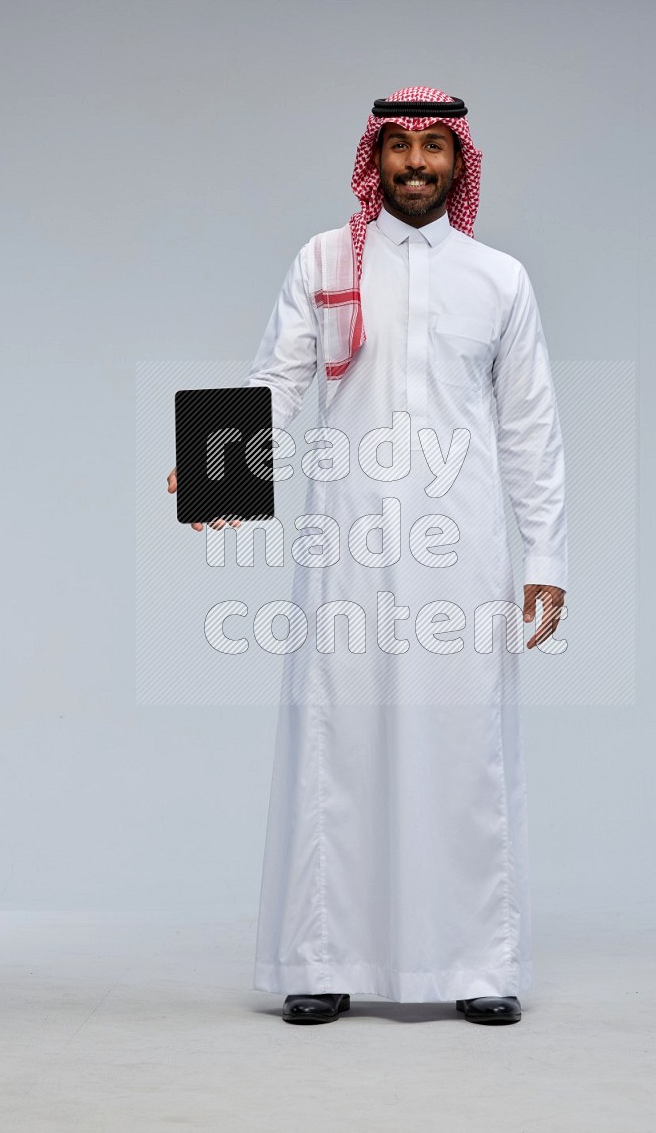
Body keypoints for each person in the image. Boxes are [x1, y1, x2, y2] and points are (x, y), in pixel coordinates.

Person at [167, 86, 567, 1026]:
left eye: (435, 147)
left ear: (459, 162)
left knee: (464, 748)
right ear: (374, 157)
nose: (417, 163)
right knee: (336, 743)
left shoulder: (499, 278)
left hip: (461, 551)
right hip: (344, 540)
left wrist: (544, 554)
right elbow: (280, 379)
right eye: (400, 147)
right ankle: (323, 957)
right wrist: (214, 470)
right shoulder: (322, 259)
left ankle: (476, 963)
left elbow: (531, 428)